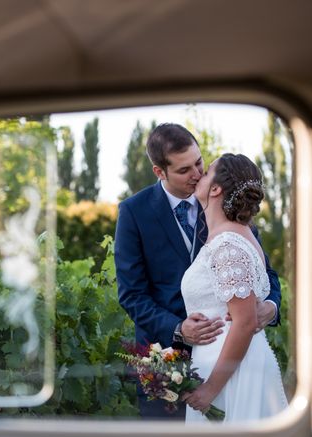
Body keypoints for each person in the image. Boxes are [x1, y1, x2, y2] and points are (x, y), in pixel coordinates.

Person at [114, 123, 282, 419]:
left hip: (233, 364)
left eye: (199, 163)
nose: (196, 174)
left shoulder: (229, 206)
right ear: (159, 172)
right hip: (166, 365)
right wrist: (178, 329)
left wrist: (270, 307)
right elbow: (132, 294)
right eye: (184, 170)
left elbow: (264, 273)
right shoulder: (134, 212)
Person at [182, 153, 288, 422]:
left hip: (231, 374)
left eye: (206, 173)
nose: (199, 175)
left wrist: (209, 389)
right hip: (224, 364)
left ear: (216, 189)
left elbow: (243, 321)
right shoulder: (234, 236)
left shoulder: (228, 244)